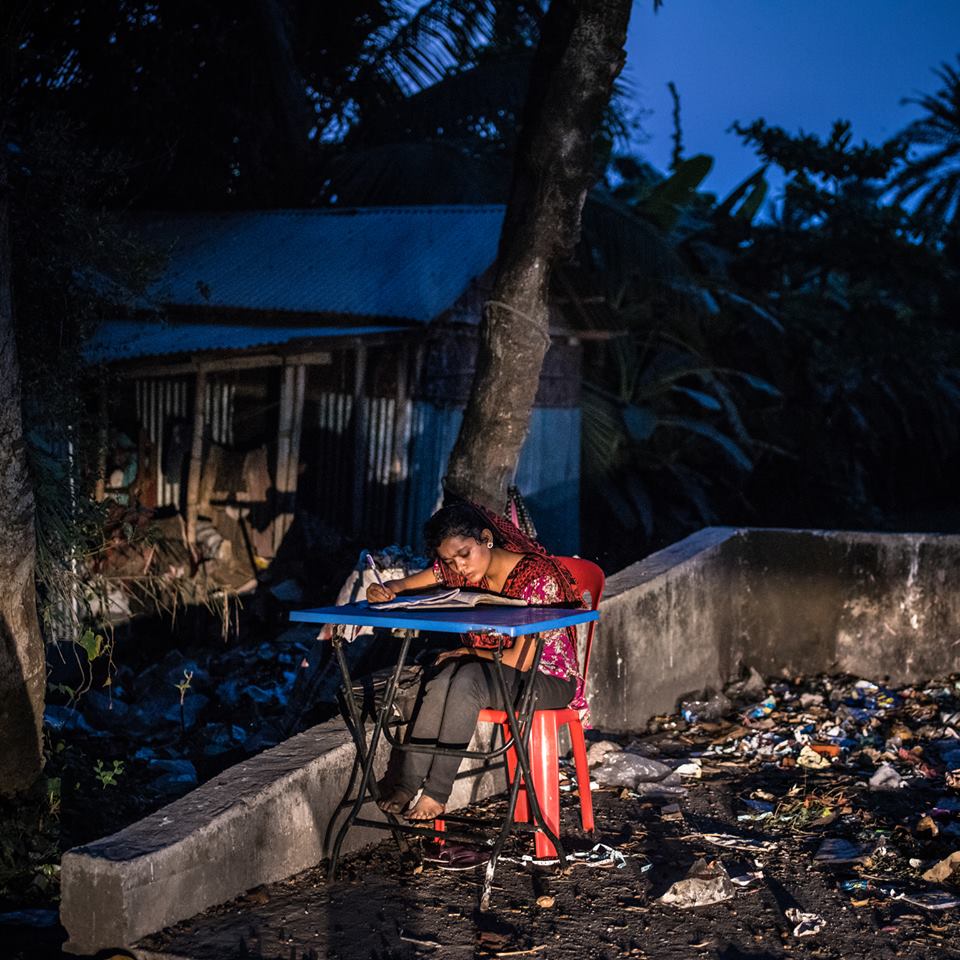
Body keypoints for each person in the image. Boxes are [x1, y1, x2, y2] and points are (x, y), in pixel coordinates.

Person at [366, 500, 585, 821]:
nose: (459, 568)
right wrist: (389, 589)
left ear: (486, 538)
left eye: (464, 555)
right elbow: (421, 579)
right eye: (449, 561)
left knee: (466, 679)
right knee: (442, 676)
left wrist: (468, 652)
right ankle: (407, 785)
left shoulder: (538, 578)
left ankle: (436, 794)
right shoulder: (463, 573)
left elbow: (520, 661)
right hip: (496, 672)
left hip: (548, 680)